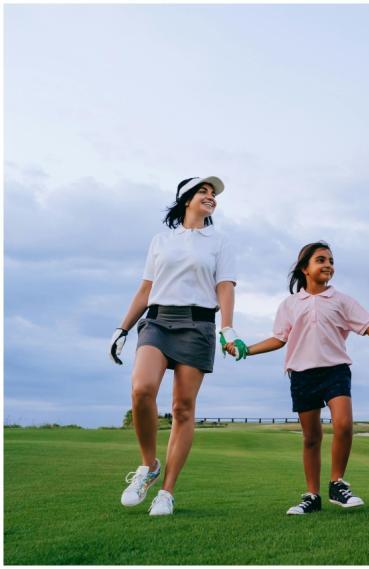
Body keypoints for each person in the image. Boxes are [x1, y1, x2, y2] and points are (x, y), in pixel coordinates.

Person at [225, 241, 369, 515]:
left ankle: (337, 483)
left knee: (343, 424)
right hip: (301, 374)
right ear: (304, 268)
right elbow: (279, 338)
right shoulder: (290, 304)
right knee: (311, 437)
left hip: (335, 370)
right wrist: (246, 350)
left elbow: (367, 326)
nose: (328, 264)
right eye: (321, 259)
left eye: (331, 260)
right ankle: (312, 496)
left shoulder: (342, 300)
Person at [109, 176, 245, 516]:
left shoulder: (220, 242)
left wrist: (227, 328)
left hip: (198, 324)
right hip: (157, 321)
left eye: (214, 194)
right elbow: (145, 288)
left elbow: (225, 287)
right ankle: (148, 466)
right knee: (142, 389)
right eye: (204, 191)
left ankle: (166, 492)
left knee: (183, 408)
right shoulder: (161, 240)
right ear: (186, 199)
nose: (210, 197)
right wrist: (122, 328)